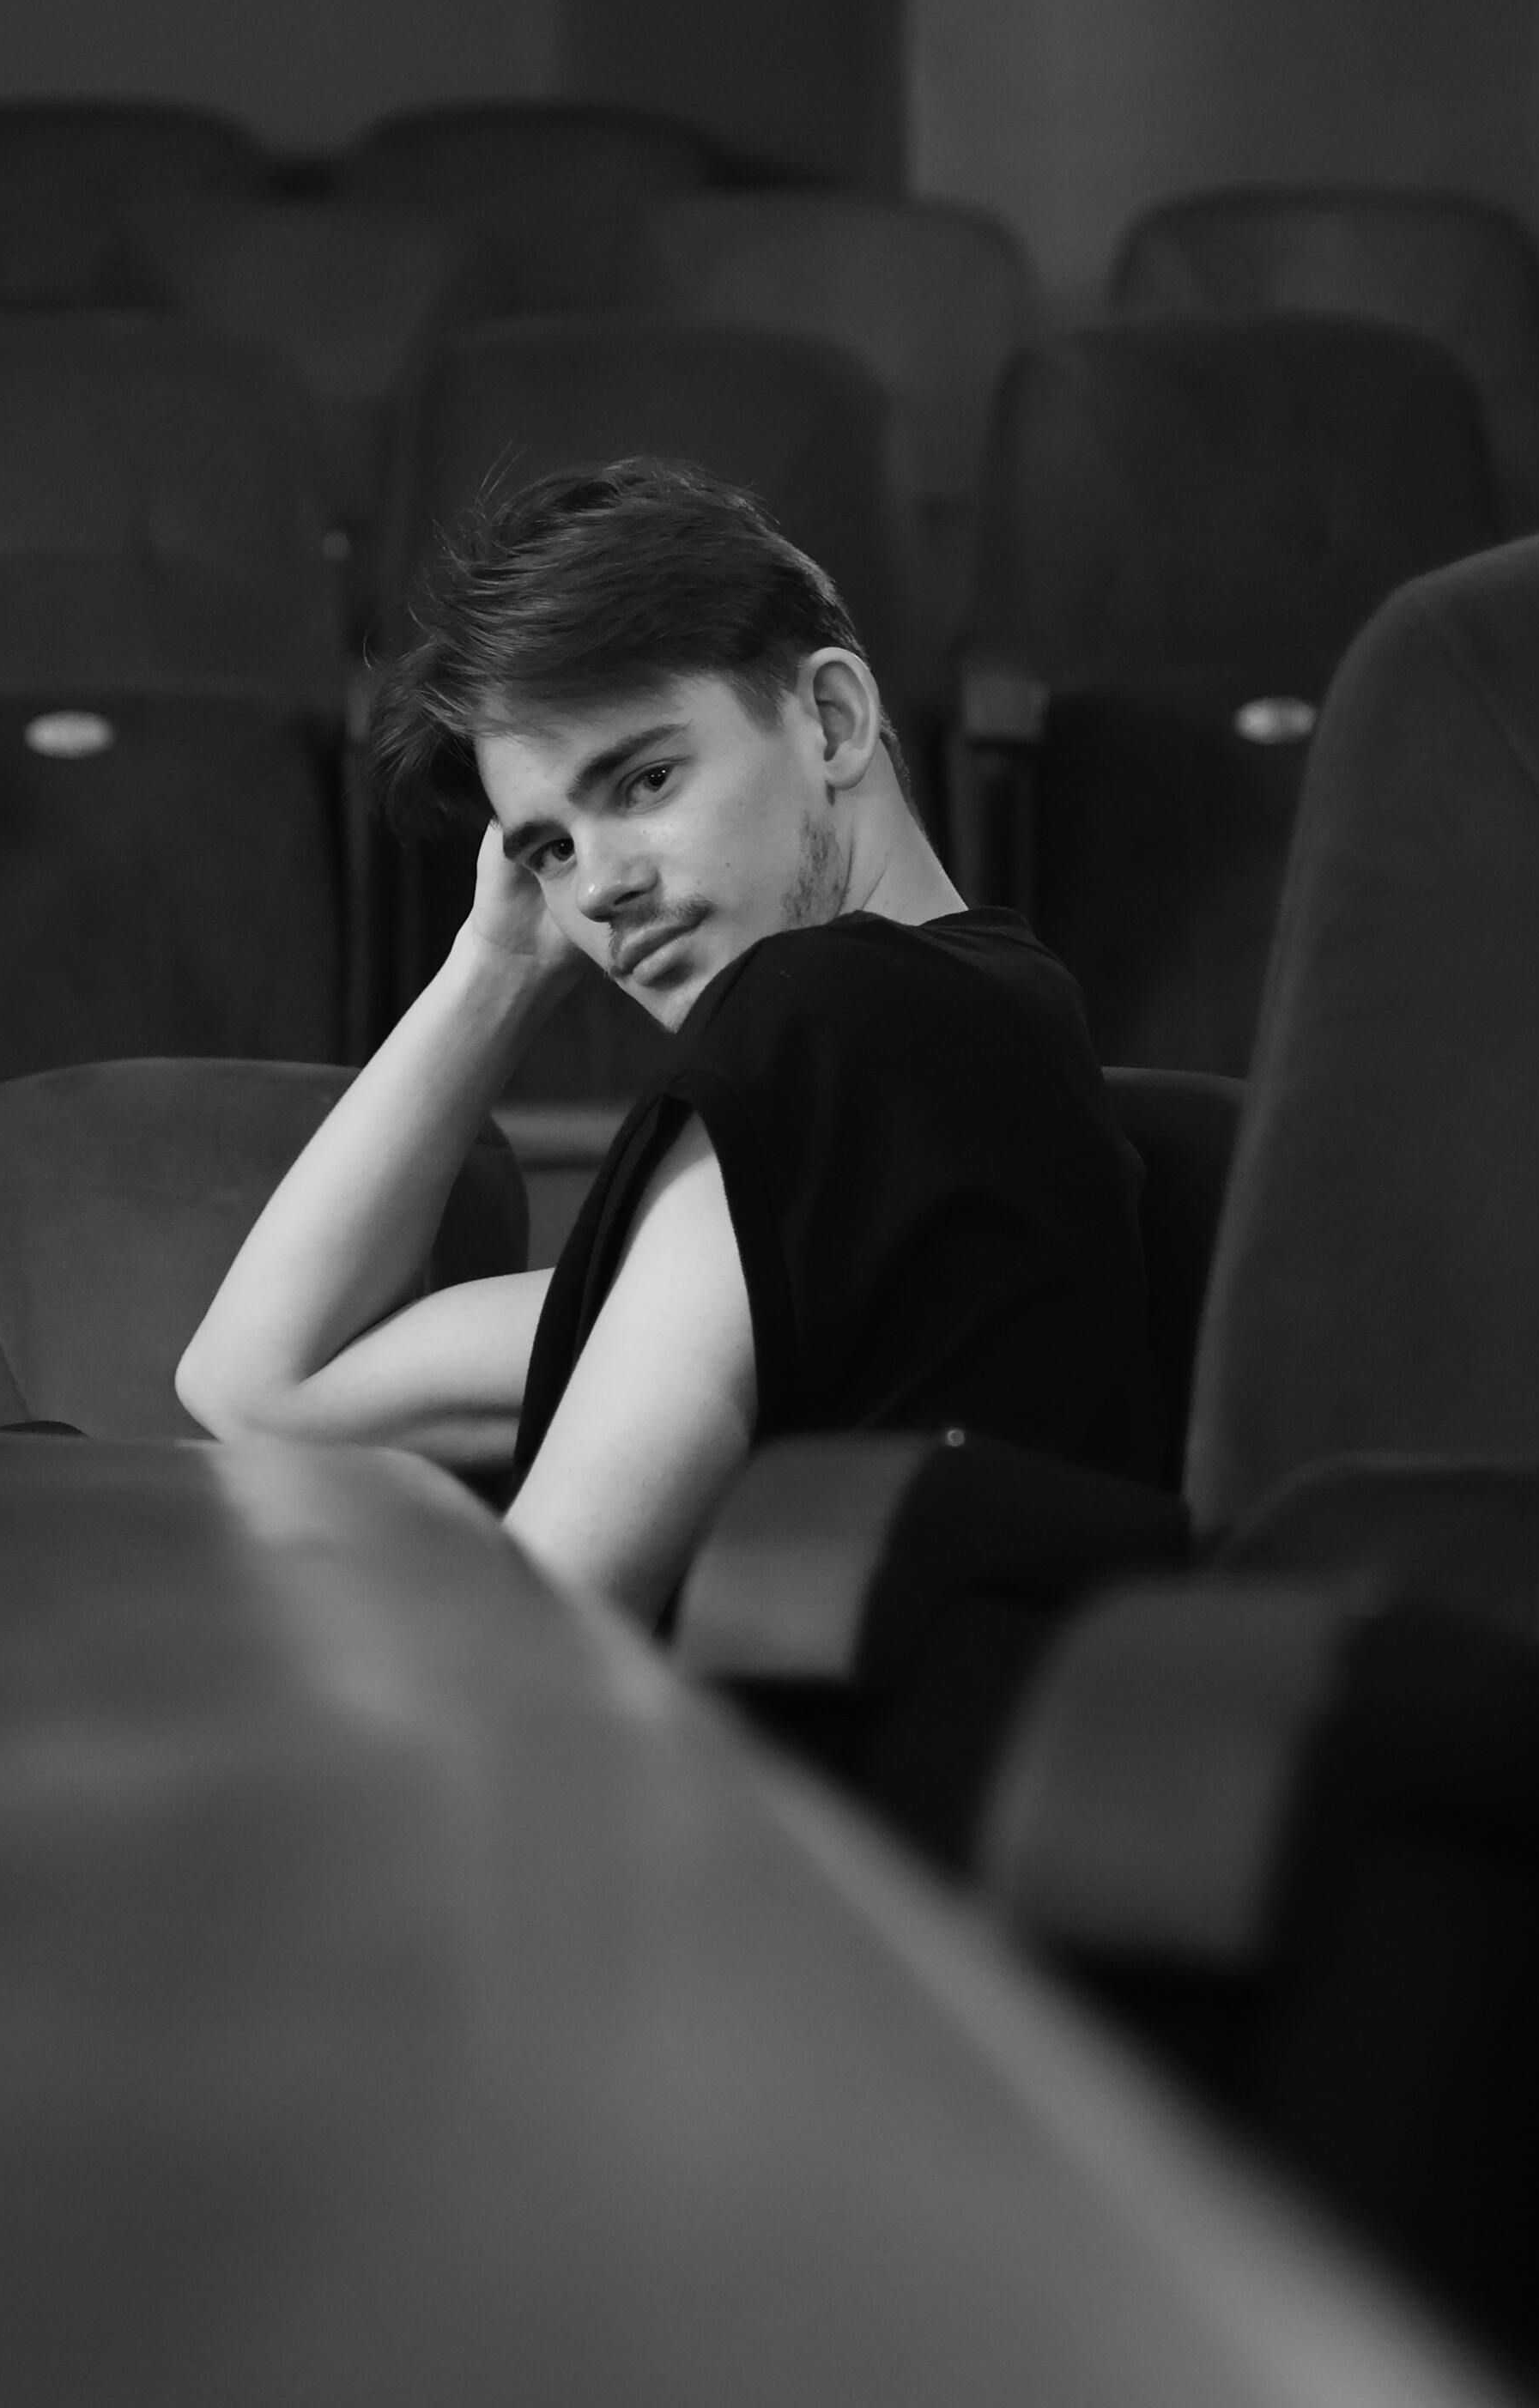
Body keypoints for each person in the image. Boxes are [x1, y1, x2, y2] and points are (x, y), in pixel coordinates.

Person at [176, 458, 1156, 1623]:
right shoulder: (944, 1053)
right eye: (549, 848)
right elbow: (260, 1388)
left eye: (642, 780)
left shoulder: (835, 1016)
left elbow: (534, 1637)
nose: (598, 893)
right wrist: (494, 962)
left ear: (833, 720)